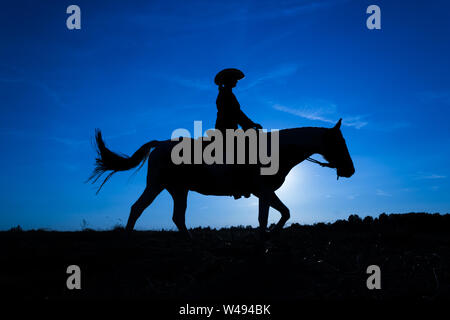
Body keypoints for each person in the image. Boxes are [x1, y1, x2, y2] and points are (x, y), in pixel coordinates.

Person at [214, 68, 262, 199]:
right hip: (226, 129)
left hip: (230, 128)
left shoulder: (227, 93)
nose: (236, 81)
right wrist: (250, 125)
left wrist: (250, 124)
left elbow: (238, 113)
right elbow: (235, 113)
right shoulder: (225, 94)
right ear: (228, 80)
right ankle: (238, 185)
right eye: (234, 79)